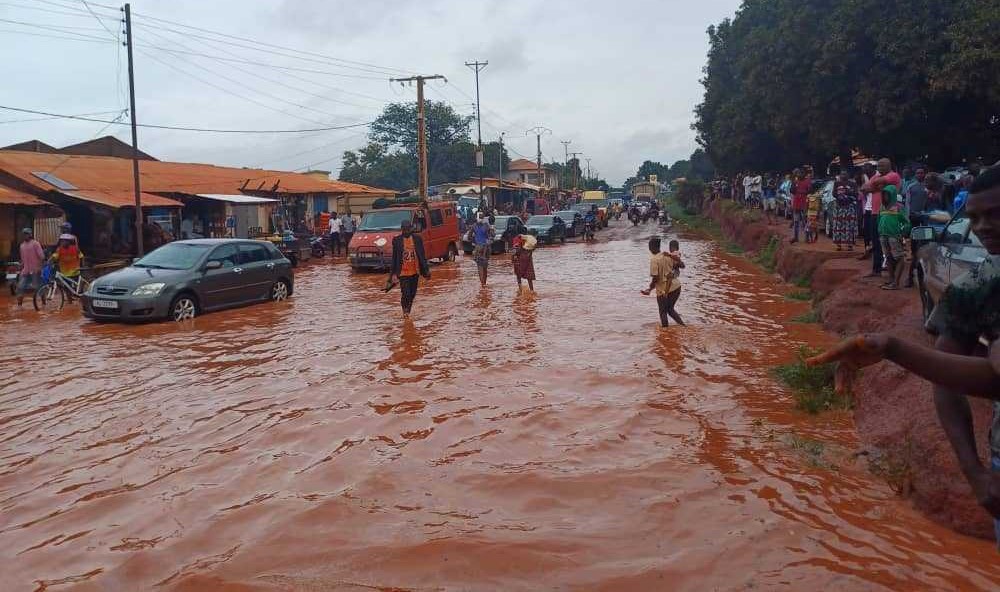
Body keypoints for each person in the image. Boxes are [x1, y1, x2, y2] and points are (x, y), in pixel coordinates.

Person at [861, 158, 903, 278]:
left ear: (889, 166)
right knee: (876, 242)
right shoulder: (877, 177)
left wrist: (874, 187)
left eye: (881, 166)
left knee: (890, 242)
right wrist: (879, 187)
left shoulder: (893, 175)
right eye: (878, 166)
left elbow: (873, 184)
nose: (878, 169)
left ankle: (893, 274)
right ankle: (876, 269)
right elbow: (864, 188)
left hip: (890, 213)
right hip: (875, 213)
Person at [389, 220, 430, 318]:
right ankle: (405, 311)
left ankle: (408, 310)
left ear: (411, 229)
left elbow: (422, 256)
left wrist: (426, 271)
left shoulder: (417, 239)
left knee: (412, 294)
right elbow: (394, 258)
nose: (406, 231)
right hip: (403, 273)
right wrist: (393, 274)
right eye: (404, 229)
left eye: (408, 229)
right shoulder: (397, 241)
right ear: (402, 229)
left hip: (415, 272)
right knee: (406, 293)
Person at [640, 237, 683, 327]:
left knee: (663, 311)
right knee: (670, 310)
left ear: (651, 247)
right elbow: (679, 265)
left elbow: (656, 278)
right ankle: (683, 327)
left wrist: (649, 289)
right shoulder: (667, 255)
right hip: (676, 286)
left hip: (663, 290)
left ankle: (665, 334)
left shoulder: (654, 260)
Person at [877, 184, 910, 290]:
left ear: (892, 195)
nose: (884, 197)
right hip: (883, 236)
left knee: (899, 257)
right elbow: (879, 219)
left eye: (887, 195)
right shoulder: (881, 207)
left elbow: (907, 222)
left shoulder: (898, 207)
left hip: (894, 236)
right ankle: (891, 280)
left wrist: (903, 233)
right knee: (888, 257)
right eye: (883, 195)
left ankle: (896, 282)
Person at [15, 228, 44, 306]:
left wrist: (40, 267)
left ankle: (44, 302)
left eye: (27, 234)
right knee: (20, 287)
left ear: (30, 235)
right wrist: (20, 266)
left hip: (35, 269)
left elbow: (41, 257)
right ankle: (19, 305)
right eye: (24, 234)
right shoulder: (22, 246)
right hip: (25, 270)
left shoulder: (36, 244)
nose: (25, 235)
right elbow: (22, 259)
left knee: (39, 287)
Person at [831, 177, 858, 251]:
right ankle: (838, 245)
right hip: (839, 207)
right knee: (838, 226)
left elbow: (856, 194)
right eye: (842, 172)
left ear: (848, 174)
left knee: (850, 226)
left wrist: (845, 192)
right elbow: (834, 194)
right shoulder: (837, 183)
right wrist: (842, 194)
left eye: (845, 171)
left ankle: (850, 245)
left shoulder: (852, 183)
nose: (844, 173)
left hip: (850, 206)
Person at [471, 213, 493, 287]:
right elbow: (491, 235)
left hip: (479, 248)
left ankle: (483, 285)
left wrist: (474, 242)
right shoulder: (486, 226)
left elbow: (469, 237)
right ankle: (484, 284)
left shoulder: (474, 226)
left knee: (480, 267)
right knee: (485, 267)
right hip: (486, 248)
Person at [790, 169, 811, 243]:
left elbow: (810, 190)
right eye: (798, 174)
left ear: (804, 175)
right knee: (796, 221)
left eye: (800, 174)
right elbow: (791, 190)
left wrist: (801, 192)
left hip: (804, 202)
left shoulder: (807, 181)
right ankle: (796, 237)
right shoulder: (795, 181)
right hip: (796, 202)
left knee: (805, 221)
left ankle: (807, 237)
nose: (799, 175)